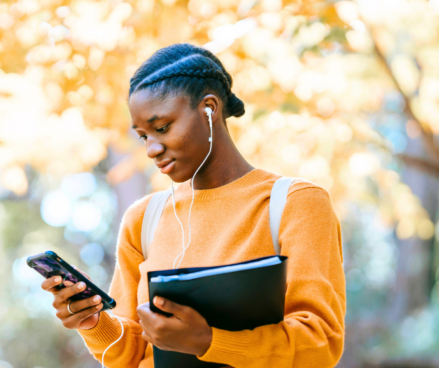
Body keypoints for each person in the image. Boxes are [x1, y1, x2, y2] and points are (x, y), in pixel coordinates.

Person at [40, 43, 346, 367]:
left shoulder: (294, 204)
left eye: (162, 128)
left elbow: (320, 343)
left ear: (209, 109)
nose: (152, 149)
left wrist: (208, 341)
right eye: (144, 136)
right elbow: (128, 356)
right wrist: (94, 323)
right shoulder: (143, 220)